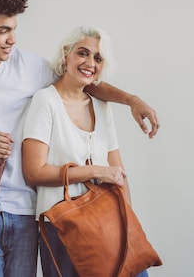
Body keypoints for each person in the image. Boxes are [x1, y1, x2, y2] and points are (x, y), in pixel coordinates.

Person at [0, 0, 159, 276]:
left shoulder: (30, 67)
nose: (12, 39)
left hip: (25, 213)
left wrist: (132, 100)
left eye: (14, 29)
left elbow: (82, 81)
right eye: (3, 31)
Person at [22, 26, 150, 277]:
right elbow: (33, 171)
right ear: (66, 55)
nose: (90, 62)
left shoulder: (102, 106)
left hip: (109, 223)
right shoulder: (45, 101)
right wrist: (95, 170)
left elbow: (119, 173)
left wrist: (127, 223)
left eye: (98, 58)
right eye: (83, 53)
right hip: (63, 226)